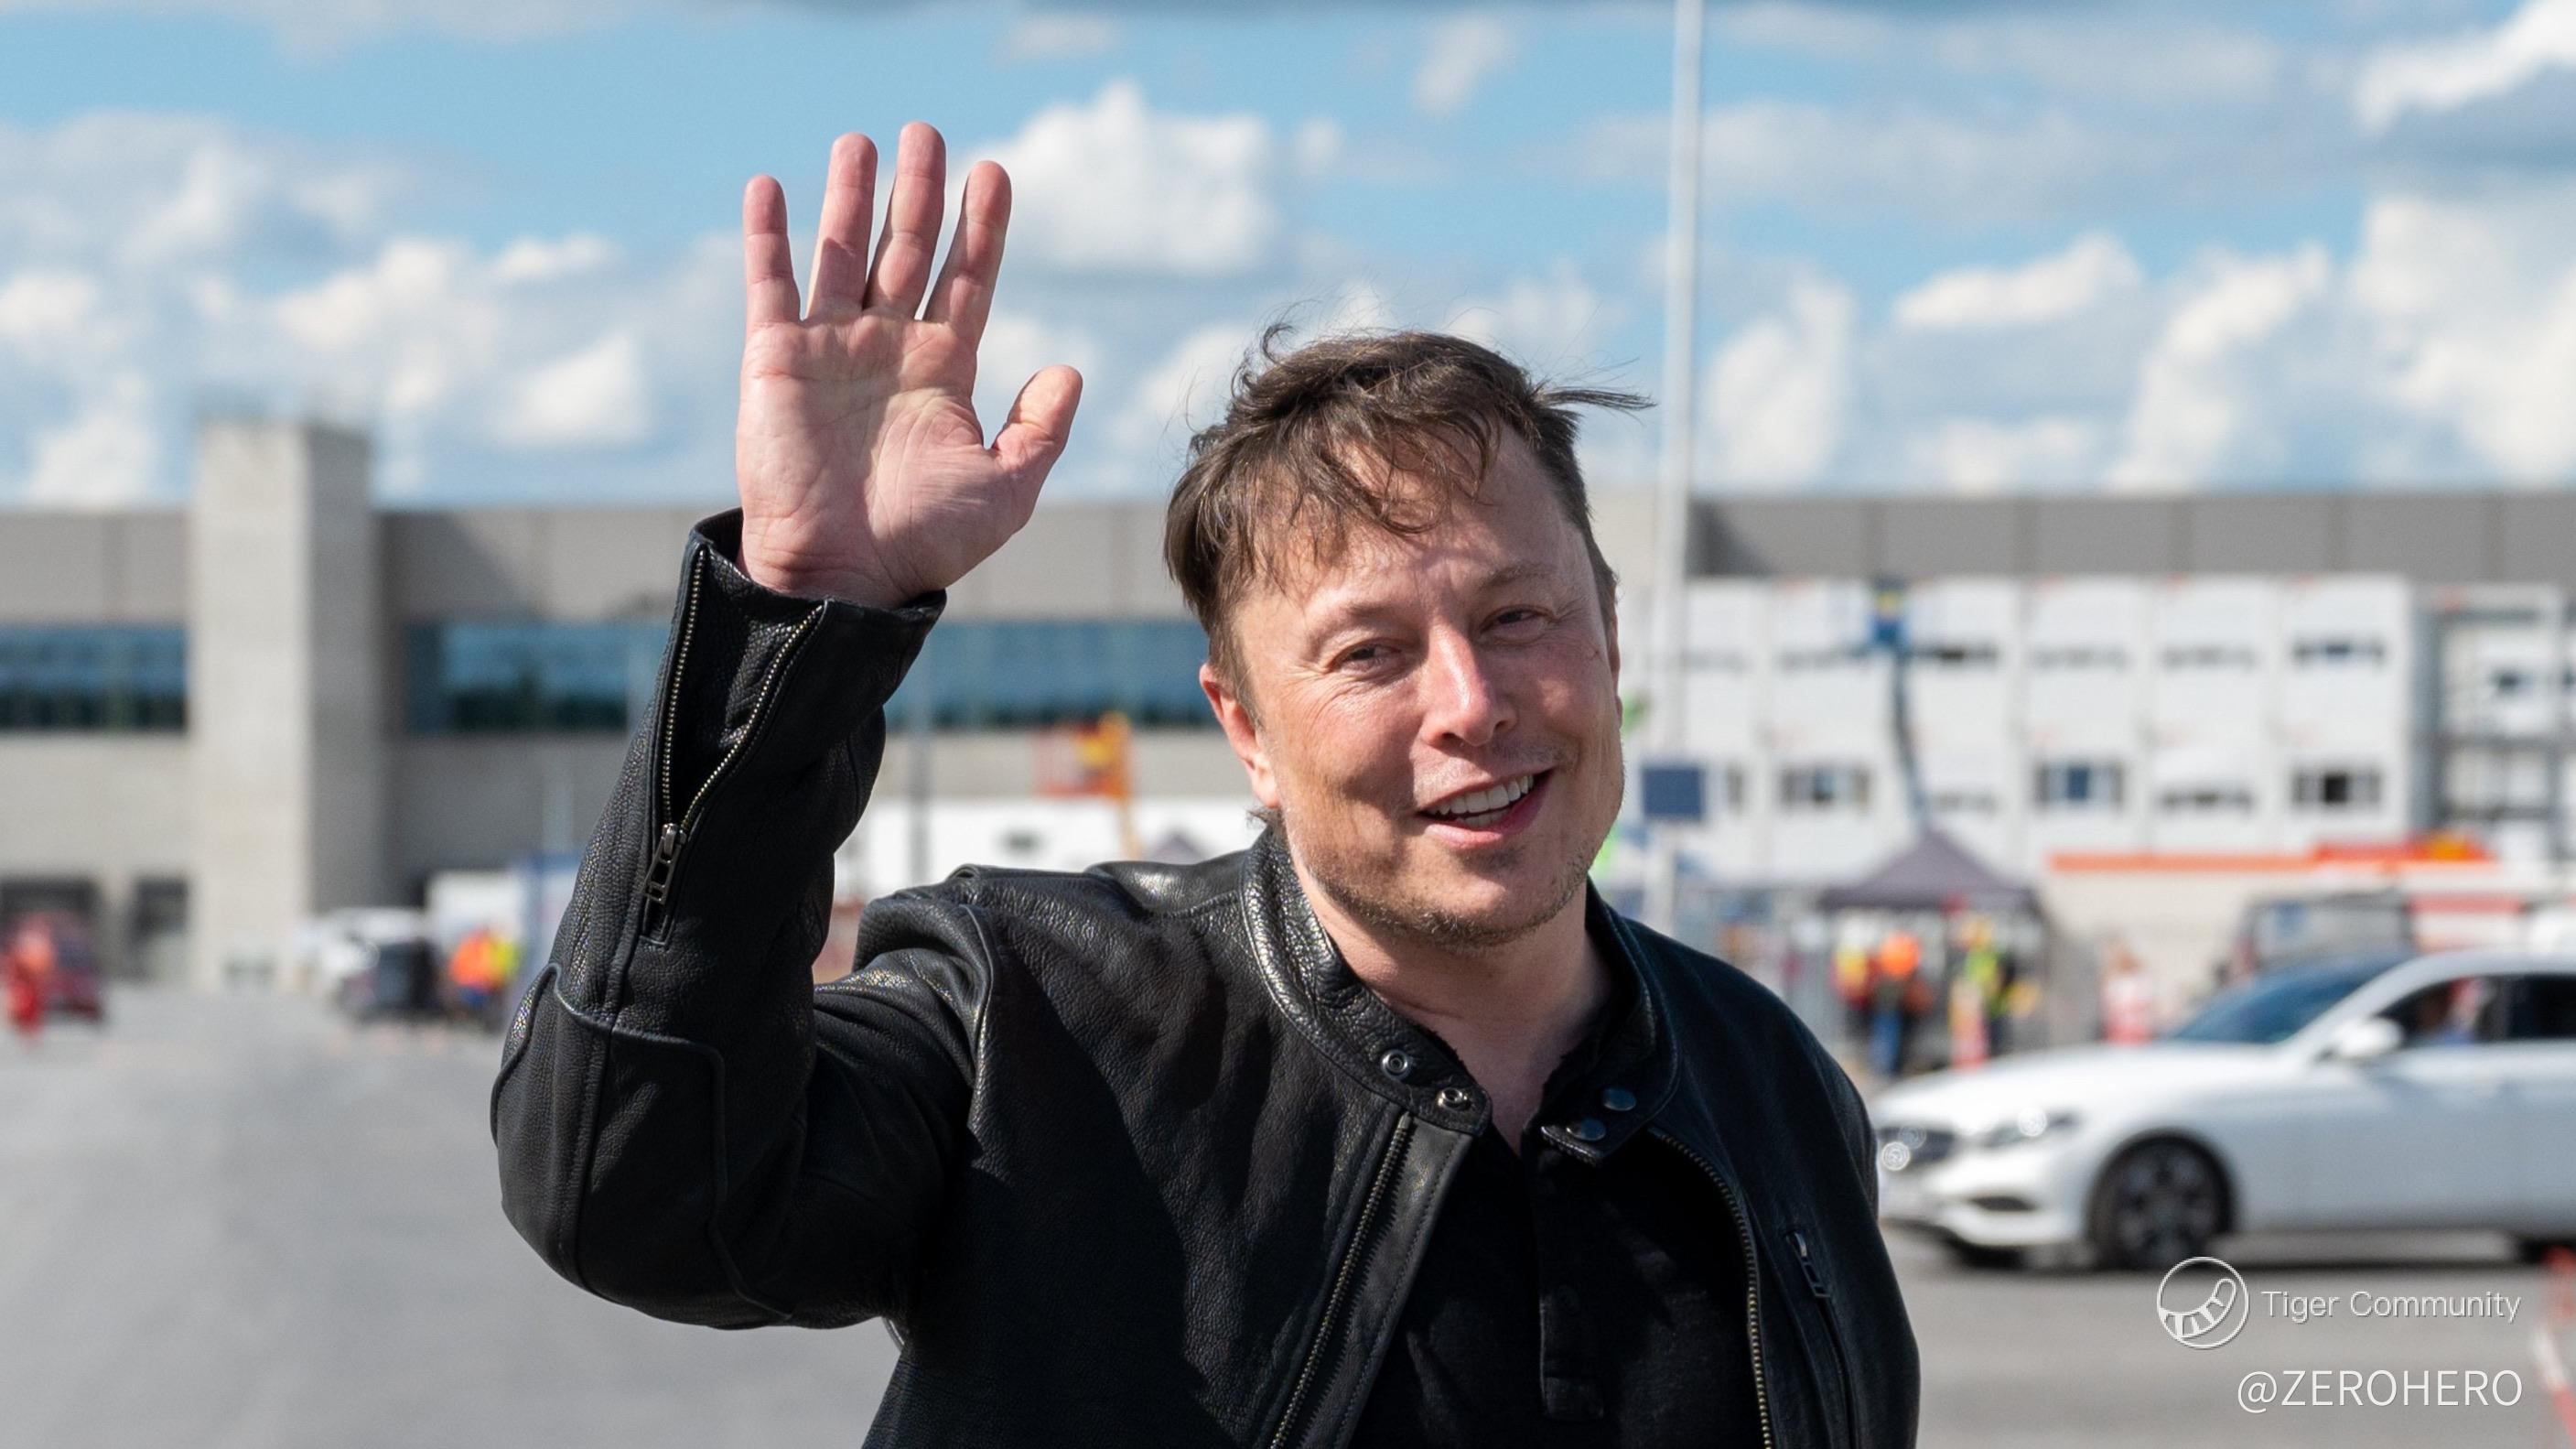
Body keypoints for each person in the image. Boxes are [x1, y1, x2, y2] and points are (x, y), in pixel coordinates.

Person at [492, 123, 1916, 1448]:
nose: (1472, 705)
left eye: (1517, 617)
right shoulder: (1035, 1023)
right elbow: (635, 1193)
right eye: (1370, 653)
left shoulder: (1771, 1087)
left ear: (1608, 630)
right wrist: (799, 620)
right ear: (1247, 732)